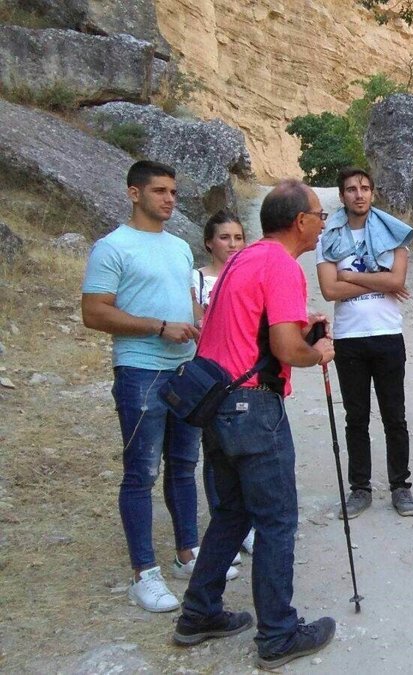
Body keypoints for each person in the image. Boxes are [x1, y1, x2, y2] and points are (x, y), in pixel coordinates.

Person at [170, 179, 338, 670]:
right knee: (277, 519)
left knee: (232, 513)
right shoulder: (283, 265)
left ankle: (198, 613)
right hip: (253, 407)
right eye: (319, 215)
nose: (322, 223)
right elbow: (286, 349)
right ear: (300, 221)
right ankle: (278, 635)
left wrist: (299, 328)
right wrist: (318, 351)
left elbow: (248, 328)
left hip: (218, 403)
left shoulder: (244, 259)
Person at [81, 160, 233, 614]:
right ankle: (143, 574)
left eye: (173, 191)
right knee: (141, 473)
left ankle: (188, 553)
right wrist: (158, 326)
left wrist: (203, 335)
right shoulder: (112, 247)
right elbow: (94, 312)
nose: (169, 199)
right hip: (140, 372)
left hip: (185, 371)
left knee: (184, 466)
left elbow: (188, 304)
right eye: (160, 191)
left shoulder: (179, 247)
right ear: (134, 193)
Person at [316, 167, 413, 519]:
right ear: (342, 196)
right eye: (351, 189)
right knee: (356, 417)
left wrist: (348, 274)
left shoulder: (393, 233)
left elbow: (398, 280)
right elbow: (329, 289)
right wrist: (379, 279)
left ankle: (400, 486)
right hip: (349, 338)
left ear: (373, 192)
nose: (358, 194)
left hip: (387, 334)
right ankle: (360, 488)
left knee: (395, 416)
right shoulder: (328, 237)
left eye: (364, 188)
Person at [193, 210, 255, 559]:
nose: (232, 244)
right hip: (210, 377)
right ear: (209, 242)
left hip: (246, 376)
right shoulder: (197, 279)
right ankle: (224, 531)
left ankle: (245, 526)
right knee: (215, 454)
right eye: (224, 237)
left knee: (248, 453)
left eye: (238, 238)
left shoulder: (248, 276)